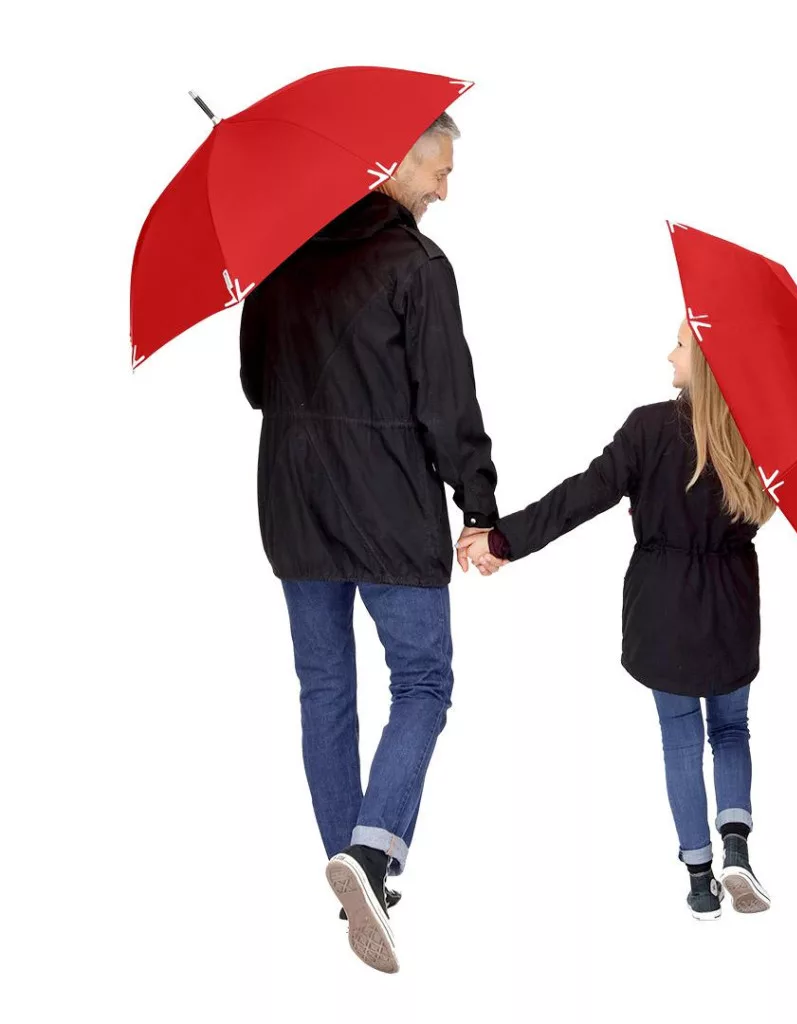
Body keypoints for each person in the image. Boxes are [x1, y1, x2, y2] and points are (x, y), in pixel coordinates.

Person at [239, 111, 498, 972]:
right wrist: (479, 505)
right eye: (439, 171)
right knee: (423, 682)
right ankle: (373, 856)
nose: (445, 191)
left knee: (325, 693)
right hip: (389, 507)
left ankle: (358, 878)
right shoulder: (418, 267)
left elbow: (255, 384)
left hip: (295, 503)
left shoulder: (281, 255)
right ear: (395, 164)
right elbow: (449, 406)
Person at [459, 317, 776, 921]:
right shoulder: (756, 440)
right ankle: (736, 843)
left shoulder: (649, 430)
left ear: (706, 362)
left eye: (680, 345)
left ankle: (701, 881)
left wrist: (502, 540)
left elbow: (580, 497)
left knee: (681, 736)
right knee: (731, 729)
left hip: (663, 611)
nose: (669, 355)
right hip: (732, 606)